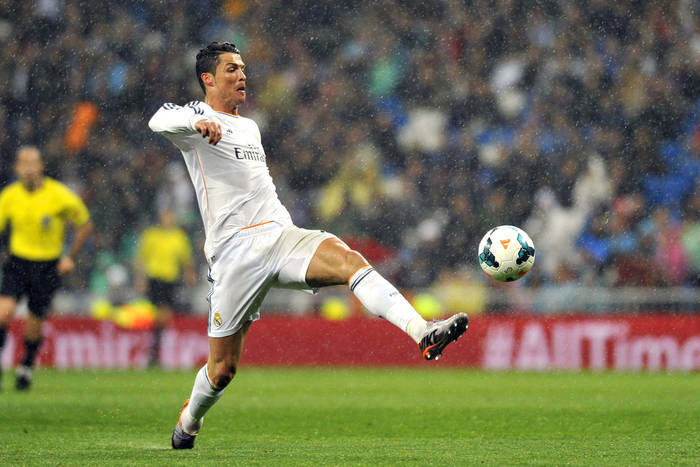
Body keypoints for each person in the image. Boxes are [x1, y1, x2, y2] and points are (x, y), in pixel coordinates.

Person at [148, 42, 469, 449]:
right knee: (222, 369)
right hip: (234, 255)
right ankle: (189, 422)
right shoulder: (196, 119)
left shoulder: (250, 127)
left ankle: (423, 331)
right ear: (208, 79)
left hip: (280, 235)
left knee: (349, 260)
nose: (242, 75)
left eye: (243, 68)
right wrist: (196, 122)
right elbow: (159, 118)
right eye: (231, 69)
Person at [0, 146, 92, 390]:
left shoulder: (59, 195)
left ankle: (26, 365)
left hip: (47, 266)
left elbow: (84, 224)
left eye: (33, 163)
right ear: (17, 168)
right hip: (18, 262)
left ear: (41, 166)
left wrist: (70, 256)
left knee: (34, 322)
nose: (28, 168)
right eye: (24, 163)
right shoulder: (9, 196)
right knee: (3, 313)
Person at [135, 209, 196, 366]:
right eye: (165, 217)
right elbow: (142, 258)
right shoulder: (151, 235)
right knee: (157, 315)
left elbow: (186, 259)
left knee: (164, 316)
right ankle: (154, 347)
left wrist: (189, 274)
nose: (167, 220)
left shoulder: (179, 237)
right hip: (155, 279)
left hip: (170, 280)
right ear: (160, 218)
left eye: (170, 217)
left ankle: (154, 347)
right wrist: (140, 278)